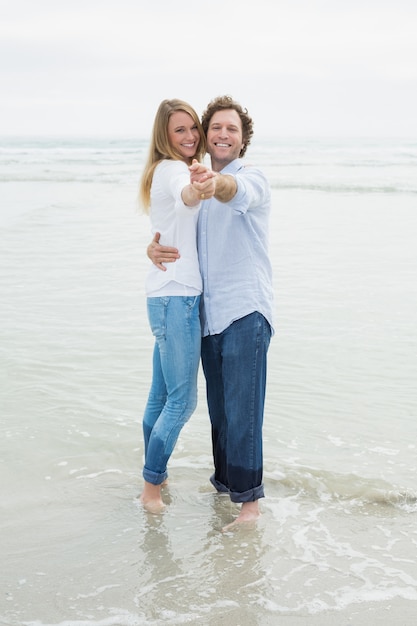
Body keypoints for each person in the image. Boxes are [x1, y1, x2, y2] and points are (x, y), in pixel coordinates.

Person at [148, 95, 274, 529]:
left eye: (232, 129)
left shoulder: (249, 178)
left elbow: (234, 191)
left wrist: (213, 184)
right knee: (219, 412)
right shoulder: (193, 184)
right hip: (206, 314)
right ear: (206, 134)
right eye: (216, 127)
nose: (223, 134)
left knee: (244, 411)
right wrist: (152, 248)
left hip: (245, 310)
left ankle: (250, 507)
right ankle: (225, 488)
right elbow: (175, 229)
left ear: (242, 141)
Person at [138, 99, 215, 514]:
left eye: (192, 129)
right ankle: (151, 490)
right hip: (178, 297)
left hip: (163, 294)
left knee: (161, 396)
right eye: (178, 131)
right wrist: (197, 188)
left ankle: (156, 478)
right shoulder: (172, 170)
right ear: (165, 137)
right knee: (182, 402)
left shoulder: (170, 168)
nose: (188, 137)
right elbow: (184, 194)